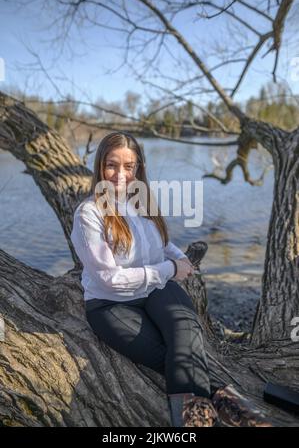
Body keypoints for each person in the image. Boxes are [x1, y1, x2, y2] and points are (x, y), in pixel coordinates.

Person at [70, 131, 218, 427]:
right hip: (110, 304)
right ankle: (212, 404)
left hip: (155, 290)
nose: (120, 175)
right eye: (112, 165)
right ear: (100, 166)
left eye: (129, 166)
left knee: (188, 334)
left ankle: (196, 424)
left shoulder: (141, 203)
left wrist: (180, 258)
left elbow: (161, 244)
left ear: (138, 169)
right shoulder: (89, 213)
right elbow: (110, 278)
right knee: (169, 356)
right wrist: (170, 270)